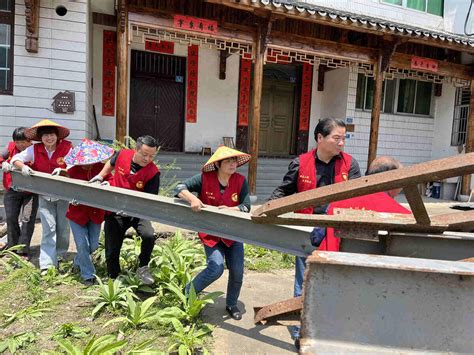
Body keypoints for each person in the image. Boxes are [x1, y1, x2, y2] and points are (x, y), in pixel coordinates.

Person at [269, 118, 361, 347]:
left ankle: (329, 328)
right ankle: (301, 332)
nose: (341, 143)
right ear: (320, 138)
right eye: (336, 138)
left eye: (344, 138)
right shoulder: (300, 163)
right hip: (307, 233)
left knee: (336, 281)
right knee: (305, 281)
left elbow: (360, 197)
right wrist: (268, 210)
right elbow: (284, 190)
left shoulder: (350, 165)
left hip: (337, 232)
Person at [175, 146, 251, 320]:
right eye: (228, 161)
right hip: (210, 233)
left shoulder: (240, 181)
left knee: (237, 271)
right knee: (215, 267)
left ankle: (232, 304)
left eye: (235, 161)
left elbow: (246, 206)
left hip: (233, 233)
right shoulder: (204, 178)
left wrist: (232, 210)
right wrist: (192, 198)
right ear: (218, 164)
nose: (233, 164)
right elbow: (179, 187)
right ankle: (188, 293)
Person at [89, 135, 160, 284]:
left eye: (151, 156)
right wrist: (101, 176)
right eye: (144, 154)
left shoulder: (153, 173)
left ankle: (143, 267)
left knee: (148, 235)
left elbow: (150, 200)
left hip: (138, 211)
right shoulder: (122, 154)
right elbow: (111, 163)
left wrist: (134, 207)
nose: (147, 159)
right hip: (115, 209)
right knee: (112, 246)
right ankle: (114, 278)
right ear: (136, 150)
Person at [11, 119, 72, 271]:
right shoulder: (34, 149)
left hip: (64, 193)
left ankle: (61, 255)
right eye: (45, 136)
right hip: (44, 193)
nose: (49, 138)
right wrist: (23, 166)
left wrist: (64, 171)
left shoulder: (67, 147)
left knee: (63, 227)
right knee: (48, 228)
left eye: (51, 135)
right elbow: (15, 159)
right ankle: (47, 264)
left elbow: (74, 164)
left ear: (57, 136)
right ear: (40, 138)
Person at [320, 156, 412, 251]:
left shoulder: (337, 202)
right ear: (393, 180)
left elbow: (320, 237)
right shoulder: (401, 215)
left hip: (329, 261)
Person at [57, 139, 114, 286]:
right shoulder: (73, 171)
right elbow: (66, 187)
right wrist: (61, 174)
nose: (86, 164)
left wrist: (107, 183)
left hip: (95, 213)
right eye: (83, 161)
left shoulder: (101, 169)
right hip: (77, 213)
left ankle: (78, 261)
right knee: (82, 244)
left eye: (89, 161)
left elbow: (112, 181)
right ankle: (88, 275)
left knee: (93, 245)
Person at [0, 127, 38, 258]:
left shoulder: (35, 150)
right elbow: (0, 156)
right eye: (17, 142)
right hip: (12, 190)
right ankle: (12, 247)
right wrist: (3, 163)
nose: (20, 145)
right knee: (10, 218)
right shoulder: (10, 148)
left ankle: (23, 250)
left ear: (30, 141)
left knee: (27, 219)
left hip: (30, 192)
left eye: (23, 142)